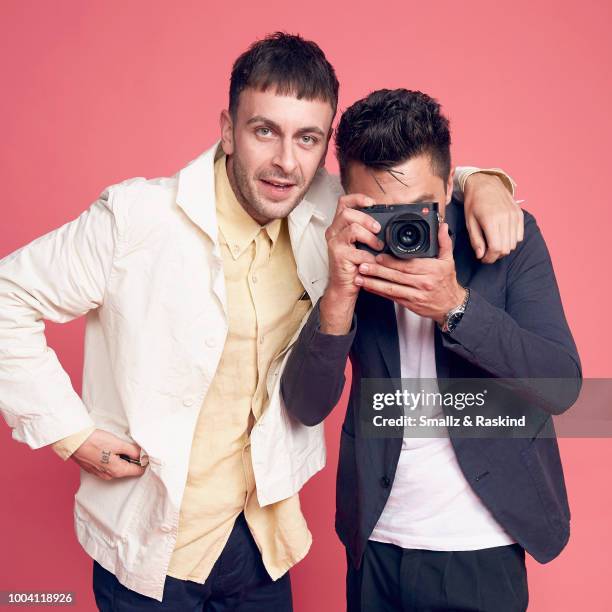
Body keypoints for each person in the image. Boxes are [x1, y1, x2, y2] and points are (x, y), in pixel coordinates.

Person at [0, 34, 522, 610]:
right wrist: (69, 433)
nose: (285, 162)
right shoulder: (135, 219)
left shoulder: (327, 207)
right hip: (152, 546)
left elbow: (412, 183)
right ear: (227, 130)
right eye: (263, 130)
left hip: (262, 546)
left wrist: (483, 182)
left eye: (307, 139)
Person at [281, 88, 581, 611]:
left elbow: (562, 385)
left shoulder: (505, 238)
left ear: (449, 188)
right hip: (377, 540)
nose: (399, 227)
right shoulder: (342, 251)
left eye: (418, 209)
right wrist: (336, 298)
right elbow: (305, 406)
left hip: (483, 544)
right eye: (376, 211)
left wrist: (457, 308)